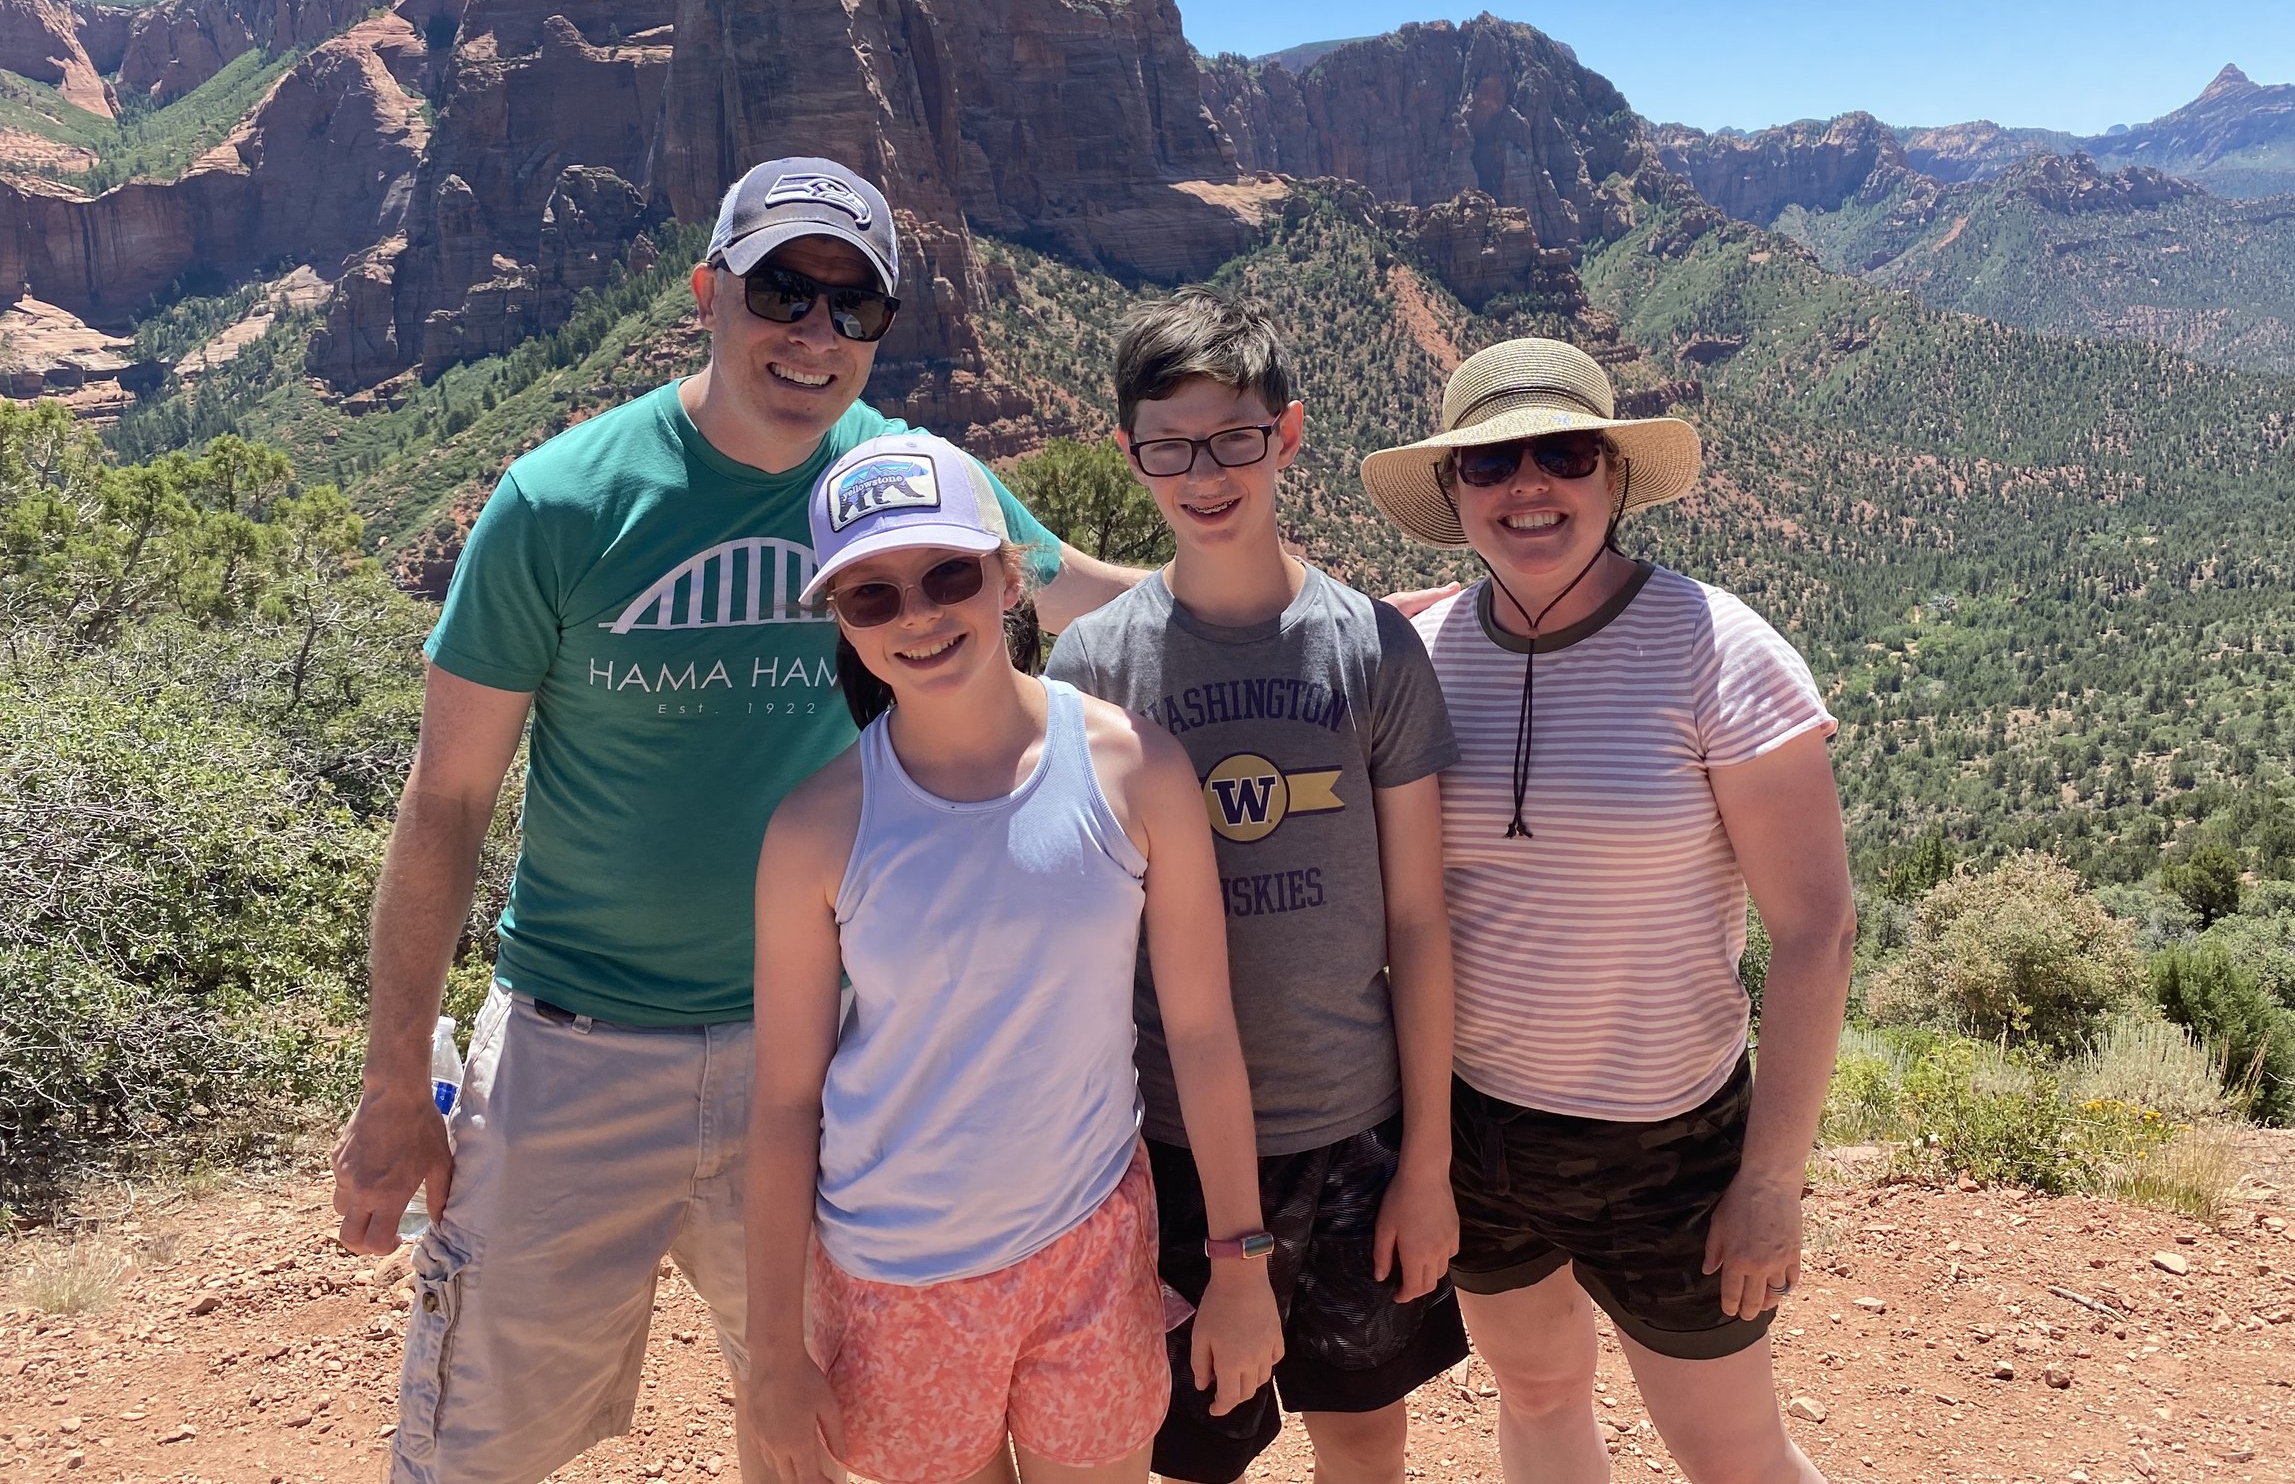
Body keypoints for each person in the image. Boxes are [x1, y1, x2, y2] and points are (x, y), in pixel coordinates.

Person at [331, 156, 1145, 1484]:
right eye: (782, 289)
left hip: (834, 1056)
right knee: (475, 1442)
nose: (814, 334)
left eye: (853, 307)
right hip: (572, 1045)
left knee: (837, 1425)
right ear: (709, 291)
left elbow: (1086, 599)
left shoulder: (909, 486)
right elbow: (448, 797)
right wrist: (391, 1083)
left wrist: (1305, 613)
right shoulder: (559, 503)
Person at [1358, 337, 1855, 1484]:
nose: (1527, 484)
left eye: (1564, 452)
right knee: (1534, 1394)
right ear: (1453, 492)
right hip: (1471, 1128)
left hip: (1668, 1145)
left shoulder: (1716, 650)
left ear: (1614, 476)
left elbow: (1818, 932)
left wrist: (1769, 1184)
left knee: (1728, 1452)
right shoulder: (1414, 655)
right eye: (1489, 463)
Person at [744, 433, 1282, 1484]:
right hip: (894, 1279)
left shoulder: (1133, 768)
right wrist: (773, 1351)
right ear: (844, 626)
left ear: (1009, 575)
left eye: (948, 575)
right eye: (871, 598)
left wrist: (1240, 1258)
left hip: (1089, 1250)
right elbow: (782, 1102)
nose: (918, 616)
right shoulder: (815, 829)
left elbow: (1204, 1033)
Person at [1045, 290, 1468, 1484]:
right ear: (1129, 455)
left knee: (1366, 1432)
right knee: (1189, 1449)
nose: (1204, 472)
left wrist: (1426, 1164)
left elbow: (1419, 921)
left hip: (1354, 1132)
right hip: (1164, 1142)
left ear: (1285, 436)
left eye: (1233, 437)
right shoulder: (1093, 665)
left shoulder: (1368, 649)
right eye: (1168, 445)